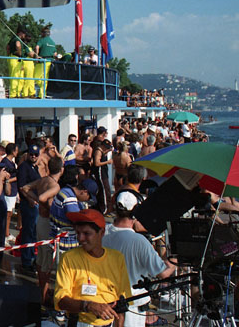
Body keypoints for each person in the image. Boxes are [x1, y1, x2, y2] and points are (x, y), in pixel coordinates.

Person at [102, 192, 175, 327]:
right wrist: (176, 259)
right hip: (131, 308)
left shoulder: (101, 233)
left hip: (104, 304)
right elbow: (164, 273)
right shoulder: (139, 241)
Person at [54, 209, 132, 327]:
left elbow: (122, 301)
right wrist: (88, 305)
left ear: (101, 232)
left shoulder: (117, 258)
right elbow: (60, 301)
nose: (80, 238)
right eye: (78, 233)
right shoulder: (68, 259)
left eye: (86, 233)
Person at [19, 156, 63, 307]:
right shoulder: (55, 186)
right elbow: (43, 197)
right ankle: (44, 295)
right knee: (47, 260)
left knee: (41, 258)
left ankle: (42, 292)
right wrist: (50, 208)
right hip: (48, 223)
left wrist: (35, 199)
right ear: (61, 169)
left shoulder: (43, 180)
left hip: (40, 221)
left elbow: (25, 188)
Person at [16, 144, 42, 273]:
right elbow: (22, 187)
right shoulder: (24, 167)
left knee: (33, 233)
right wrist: (29, 199)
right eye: (31, 154)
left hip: (35, 204)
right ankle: (26, 261)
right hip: (28, 204)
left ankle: (32, 258)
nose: (33, 156)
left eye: (36, 155)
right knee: (28, 232)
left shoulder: (34, 167)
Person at [2, 143, 19, 244]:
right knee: (7, 214)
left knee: (10, 213)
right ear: (13, 151)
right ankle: (5, 235)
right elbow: (5, 177)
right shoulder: (5, 163)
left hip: (13, 191)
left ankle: (7, 233)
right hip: (8, 192)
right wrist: (15, 178)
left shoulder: (12, 163)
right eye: (16, 150)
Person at [91, 140, 113, 214]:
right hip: (100, 173)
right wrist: (107, 162)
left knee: (106, 189)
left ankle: (108, 207)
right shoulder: (98, 151)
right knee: (104, 190)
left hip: (104, 172)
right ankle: (104, 208)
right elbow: (96, 163)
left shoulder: (103, 151)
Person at [34, 26, 56, 98]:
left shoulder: (42, 40)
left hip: (42, 61)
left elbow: (37, 47)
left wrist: (36, 56)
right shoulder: (53, 42)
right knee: (45, 79)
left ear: (43, 33)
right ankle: (42, 94)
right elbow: (55, 53)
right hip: (50, 62)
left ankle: (41, 94)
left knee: (36, 77)